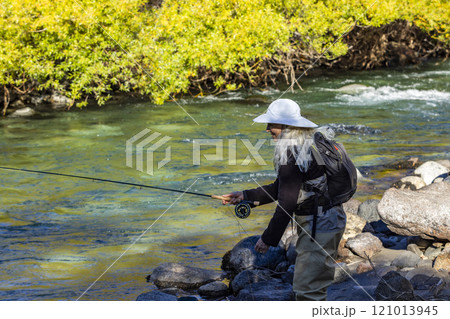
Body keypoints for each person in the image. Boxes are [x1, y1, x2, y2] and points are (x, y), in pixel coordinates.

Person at [221, 99, 346, 301]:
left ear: (288, 127)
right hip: (329, 219)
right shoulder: (309, 142)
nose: (268, 128)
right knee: (311, 286)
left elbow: (286, 203)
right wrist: (245, 195)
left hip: (320, 224)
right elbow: (281, 187)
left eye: (272, 124)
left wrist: (268, 239)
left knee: (308, 292)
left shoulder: (292, 152)